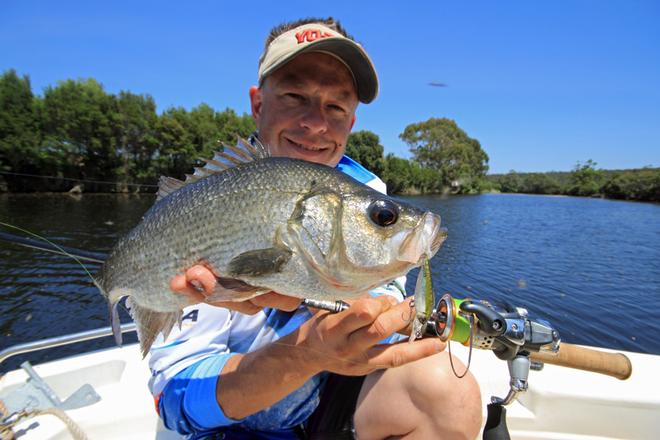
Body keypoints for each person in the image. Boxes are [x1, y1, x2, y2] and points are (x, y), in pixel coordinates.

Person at [149, 17, 482, 440]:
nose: (316, 124)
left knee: (446, 391)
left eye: (336, 106)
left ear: (351, 121)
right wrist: (301, 355)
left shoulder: (368, 201)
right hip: (235, 415)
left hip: (323, 404)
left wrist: (374, 318)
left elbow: (384, 298)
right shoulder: (205, 206)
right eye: (294, 96)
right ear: (258, 104)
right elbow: (175, 401)